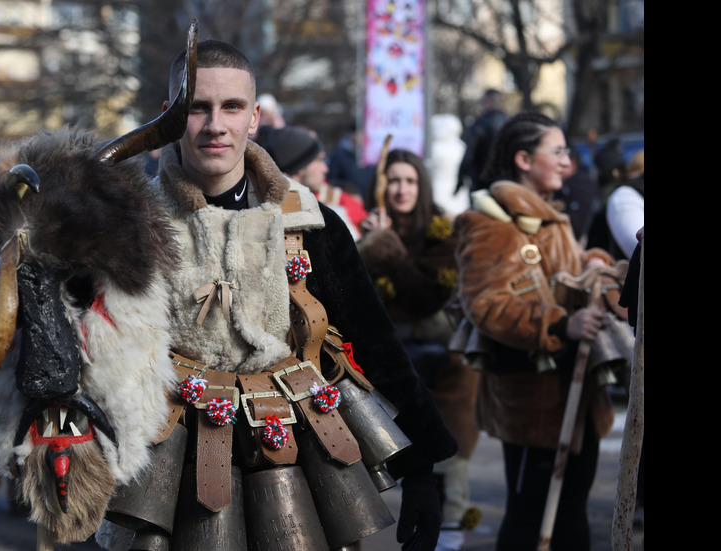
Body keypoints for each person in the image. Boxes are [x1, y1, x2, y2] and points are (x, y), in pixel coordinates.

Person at [148, 38, 456, 551]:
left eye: (232, 107)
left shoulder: (312, 224)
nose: (215, 124)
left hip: (300, 471)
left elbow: (376, 345)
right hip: (169, 478)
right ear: (169, 116)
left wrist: (422, 470)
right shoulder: (124, 225)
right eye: (196, 107)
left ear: (255, 117)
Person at [453, 112, 616, 551]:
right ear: (524, 159)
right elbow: (487, 305)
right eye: (558, 152)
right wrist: (563, 324)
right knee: (533, 522)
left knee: (571, 517)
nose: (568, 161)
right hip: (533, 404)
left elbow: (565, 273)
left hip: (576, 395)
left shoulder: (552, 217)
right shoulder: (491, 222)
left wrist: (595, 264)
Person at [358, 149, 480, 551]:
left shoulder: (442, 229)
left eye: (409, 181)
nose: (401, 189)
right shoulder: (372, 226)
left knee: (447, 449)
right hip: (390, 357)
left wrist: (386, 250)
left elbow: (429, 294)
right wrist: (366, 246)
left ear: (422, 186)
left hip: (445, 363)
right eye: (393, 180)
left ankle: (451, 530)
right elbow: (361, 299)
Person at [261, 124, 368, 239]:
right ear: (299, 169)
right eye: (318, 160)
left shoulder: (336, 200)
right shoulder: (265, 214)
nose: (325, 168)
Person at [456, 90, 508, 198]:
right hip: (505, 184)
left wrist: (460, 179)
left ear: (487, 102)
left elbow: (469, 153)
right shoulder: (511, 123)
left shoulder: (479, 124)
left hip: (480, 183)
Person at [554, 147, 601, 244]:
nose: (561, 165)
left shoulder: (580, 186)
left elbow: (576, 228)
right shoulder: (567, 184)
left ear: (573, 165)